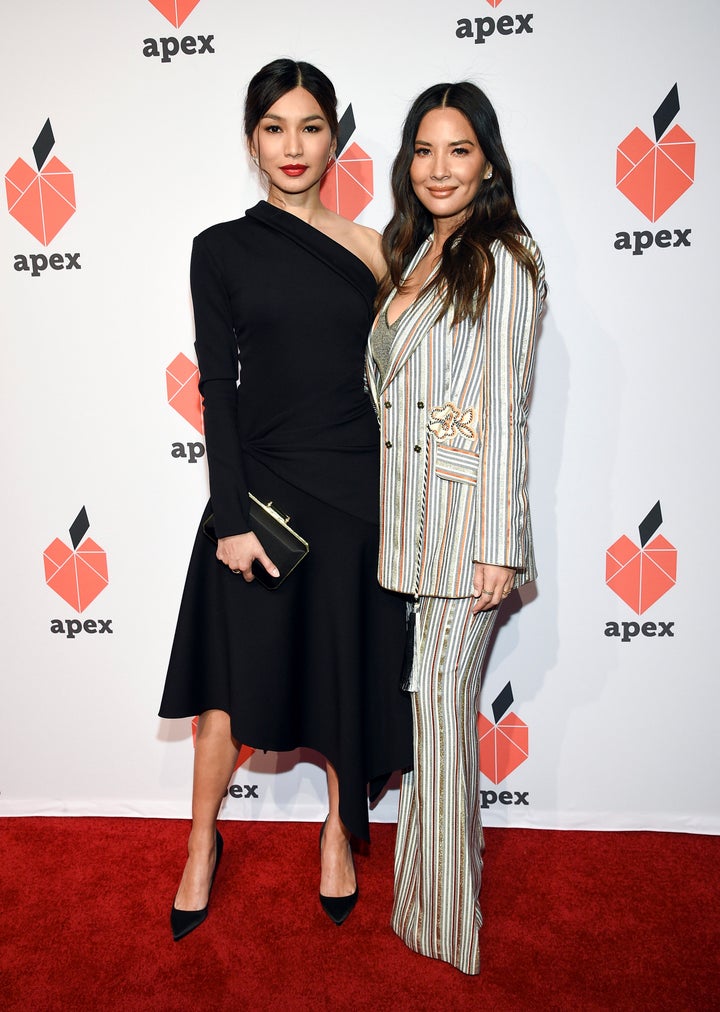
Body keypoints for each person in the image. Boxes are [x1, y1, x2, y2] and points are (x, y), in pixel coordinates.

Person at [159, 58, 412, 941]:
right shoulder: (219, 249)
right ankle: (201, 843)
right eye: (274, 128)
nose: (293, 147)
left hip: (355, 493)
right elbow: (216, 394)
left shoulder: (378, 251)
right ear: (251, 140)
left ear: (335, 136)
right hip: (260, 493)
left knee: (344, 673)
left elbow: (401, 385)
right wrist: (230, 518)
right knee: (228, 689)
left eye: (310, 127)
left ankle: (339, 839)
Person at [367, 81, 546, 974]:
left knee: (438, 713)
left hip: (465, 539)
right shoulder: (414, 253)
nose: (439, 169)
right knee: (425, 717)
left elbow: (506, 408)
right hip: (406, 531)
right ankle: (424, 898)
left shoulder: (503, 256)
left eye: (459, 150)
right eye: (424, 151)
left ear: (488, 161)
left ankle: (444, 925)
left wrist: (497, 545)